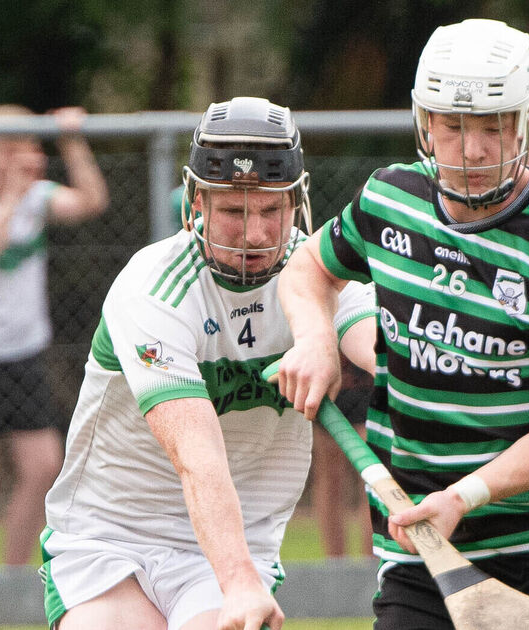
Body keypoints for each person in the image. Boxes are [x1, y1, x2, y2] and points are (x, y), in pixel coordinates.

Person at [275, 19, 529, 629]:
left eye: (493, 128)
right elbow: (308, 268)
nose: (471, 150)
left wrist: (465, 497)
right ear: (424, 122)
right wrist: (316, 340)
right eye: (453, 126)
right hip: (421, 552)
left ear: (526, 120)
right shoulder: (390, 200)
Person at [39, 96, 376, 630]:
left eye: (272, 210)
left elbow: (390, 351)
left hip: (232, 541)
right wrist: (240, 584)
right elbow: (197, 455)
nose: (257, 235)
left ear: (298, 201)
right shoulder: (153, 291)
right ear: (195, 203)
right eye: (233, 212)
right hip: (111, 539)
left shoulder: (318, 276)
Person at [0, 104, 109, 568]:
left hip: (24, 352)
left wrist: (71, 142)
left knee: (43, 465)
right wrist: (10, 197)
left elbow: (92, 201)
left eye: (19, 149)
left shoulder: (38, 196)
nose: (8, 160)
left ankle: (12, 577)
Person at [310, 355, 372, 559]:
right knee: (330, 475)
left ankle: (372, 565)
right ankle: (335, 566)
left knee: (372, 475)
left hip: (367, 373)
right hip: (329, 367)